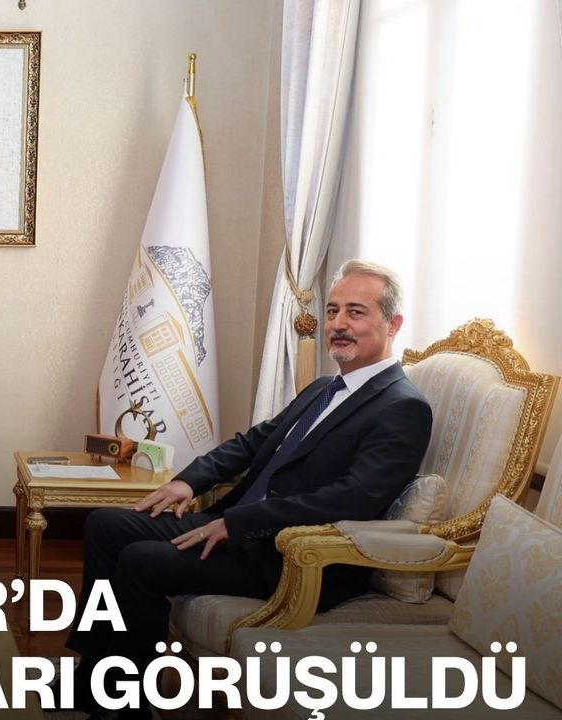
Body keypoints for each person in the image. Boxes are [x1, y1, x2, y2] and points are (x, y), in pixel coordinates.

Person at [65, 260, 434, 720]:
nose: (338, 324)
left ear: (392, 324)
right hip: (240, 526)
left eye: (355, 312)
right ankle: (94, 678)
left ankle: (128, 706)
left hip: (290, 556)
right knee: (104, 525)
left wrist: (238, 523)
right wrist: (188, 481)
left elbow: (353, 498)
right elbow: (253, 442)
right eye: (333, 310)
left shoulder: (402, 407)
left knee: (140, 561)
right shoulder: (324, 388)